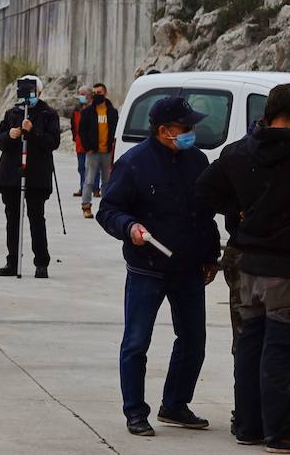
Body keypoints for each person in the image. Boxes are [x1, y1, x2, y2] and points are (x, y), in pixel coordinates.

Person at [96, 96, 220, 438]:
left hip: (188, 269)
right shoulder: (133, 164)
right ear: (165, 131)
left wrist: (210, 256)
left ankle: (175, 404)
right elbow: (108, 210)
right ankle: (135, 411)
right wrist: (129, 228)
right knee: (136, 342)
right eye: (186, 127)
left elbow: (204, 215)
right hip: (146, 269)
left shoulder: (198, 161)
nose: (191, 132)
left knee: (193, 340)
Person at [195, 84, 290, 450]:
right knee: (280, 348)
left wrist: (237, 212)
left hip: (247, 262)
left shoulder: (239, 151)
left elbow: (203, 190)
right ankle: (279, 431)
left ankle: (248, 425)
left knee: (249, 344)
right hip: (283, 267)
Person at [0, 75, 60, 278]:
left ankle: (41, 262)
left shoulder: (48, 114)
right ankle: (12, 261)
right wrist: (10, 135)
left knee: (36, 219)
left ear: (39, 93)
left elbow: (53, 142)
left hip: (36, 176)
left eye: (31, 93)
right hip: (12, 175)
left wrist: (32, 133)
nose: (27, 97)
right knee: (12, 219)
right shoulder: (12, 113)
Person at [78, 82, 118, 218]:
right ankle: (86, 206)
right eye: (94, 93)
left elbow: (115, 130)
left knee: (107, 182)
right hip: (92, 153)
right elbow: (82, 131)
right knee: (89, 180)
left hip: (107, 152)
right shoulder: (87, 112)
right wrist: (87, 148)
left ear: (105, 93)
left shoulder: (112, 112)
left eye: (99, 93)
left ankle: (106, 208)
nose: (96, 96)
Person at [71, 86, 92, 197]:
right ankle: (83, 187)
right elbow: (73, 125)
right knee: (81, 167)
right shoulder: (76, 110)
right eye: (80, 94)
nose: (81, 96)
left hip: (91, 145)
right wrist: (75, 137)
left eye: (83, 94)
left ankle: (95, 188)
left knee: (93, 168)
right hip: (80, 144)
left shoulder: (94, 109)